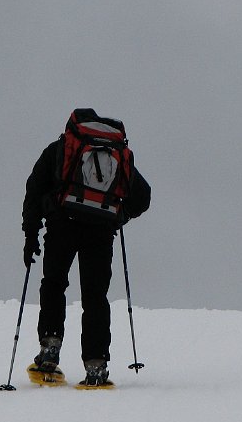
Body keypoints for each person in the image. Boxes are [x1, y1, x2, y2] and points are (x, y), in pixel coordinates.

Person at [22, 110, 151, 387]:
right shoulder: (118, 152)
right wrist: (119, 215)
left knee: (54, 284)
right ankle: (96, 365)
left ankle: (49, 351)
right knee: (95, 297)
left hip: (62, 225)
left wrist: (31, 235)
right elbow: (143, 196)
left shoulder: (59, 149)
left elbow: (33, 191)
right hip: (101, 231)